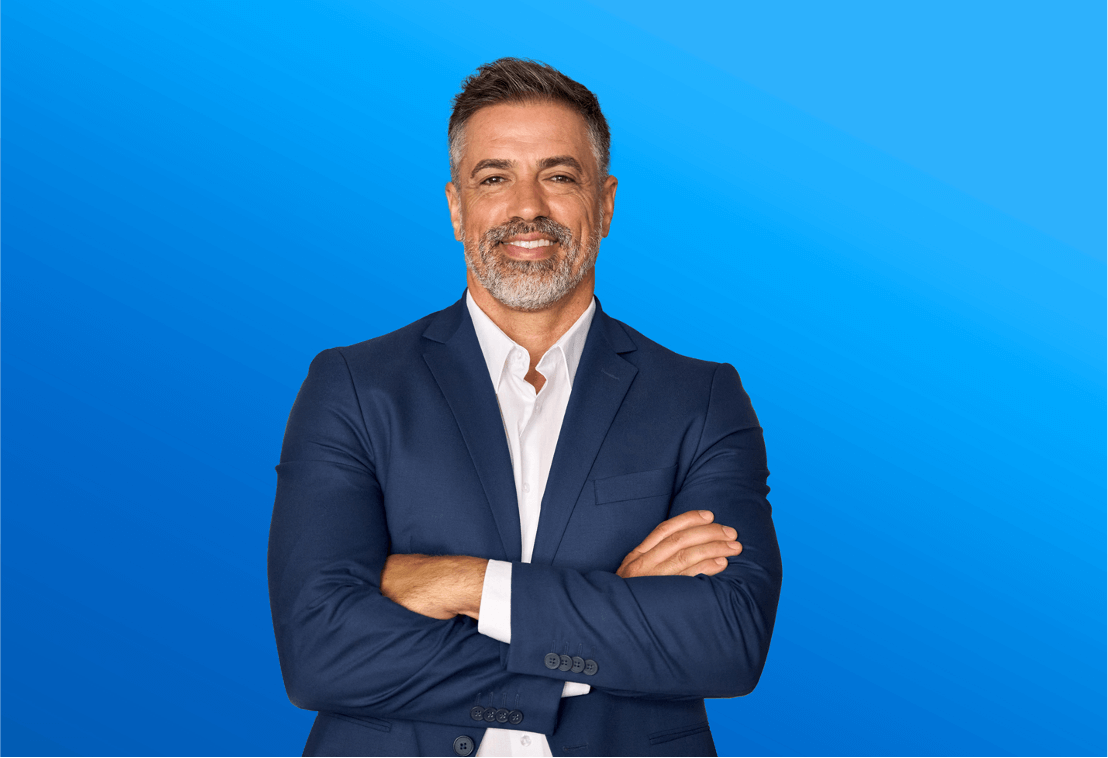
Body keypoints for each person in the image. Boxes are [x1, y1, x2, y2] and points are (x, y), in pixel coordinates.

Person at [268, 57, 782, 758]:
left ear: (605, 205)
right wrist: (608, 614)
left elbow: (727, 641)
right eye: (495, 177)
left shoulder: (700, 398)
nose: (527, 207)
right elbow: (318, 650)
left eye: (559, 175)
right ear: (456, 208)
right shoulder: (353, 385)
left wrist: (468, 583)